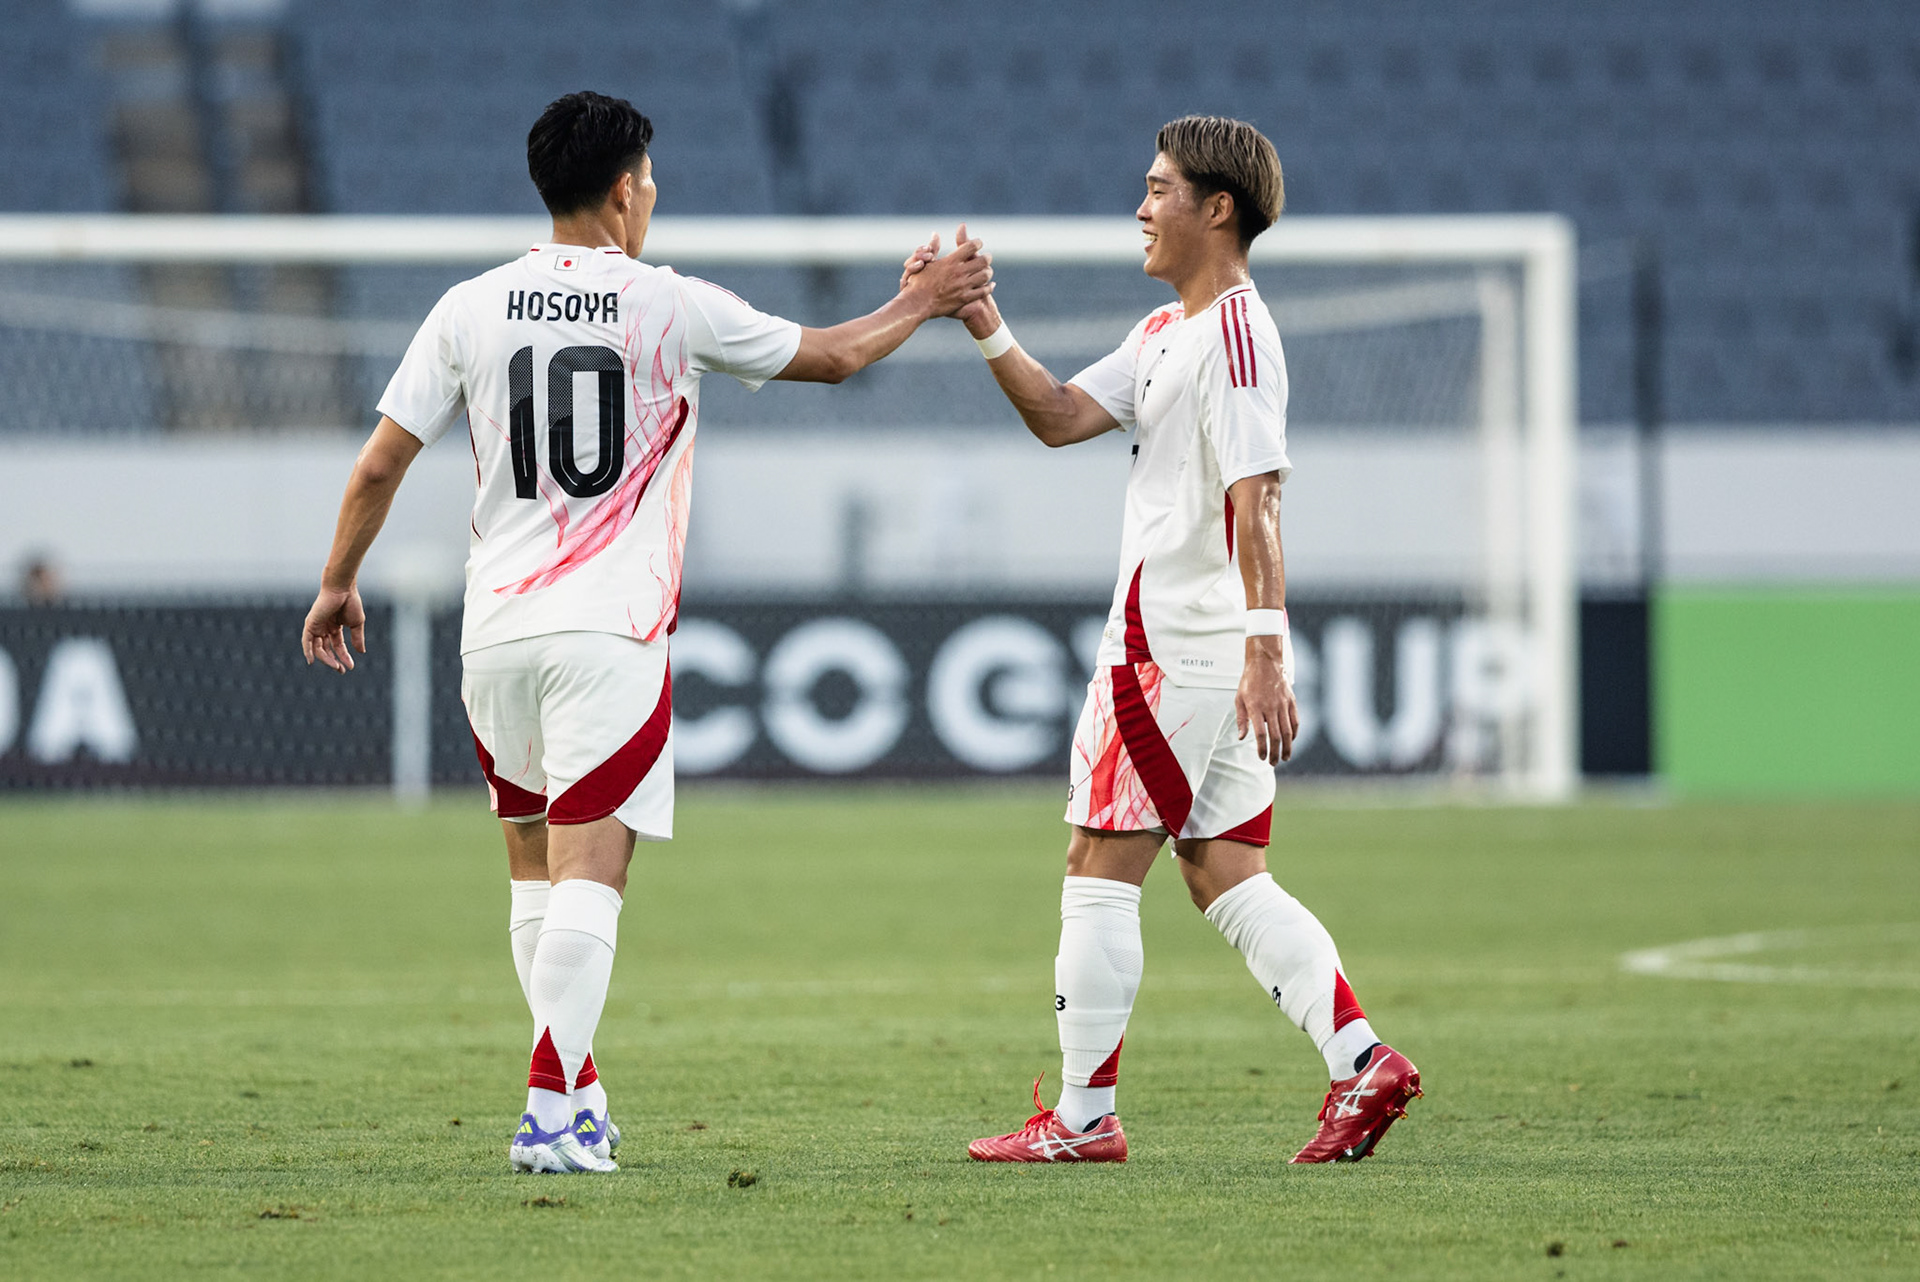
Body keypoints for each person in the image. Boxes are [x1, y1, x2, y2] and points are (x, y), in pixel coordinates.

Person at [301, 91, 993, 1175]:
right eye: (652, 179)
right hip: (608, 632)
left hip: (496, 635)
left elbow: (379, 463)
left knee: (533, 872)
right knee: (590, 873)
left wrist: (339, 580)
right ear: (625, 188)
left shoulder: (469, 308)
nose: (654, 196)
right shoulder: (666, 305)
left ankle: (576, 1094)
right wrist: (925, 298)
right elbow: (834, 357)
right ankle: (545, 1111)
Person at [913, 115, 1420, 1164]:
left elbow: (1259, 495)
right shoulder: (1166, 334)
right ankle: (1361, 1059)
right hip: (1210, 653)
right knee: (1225, 868)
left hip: (1173, 648)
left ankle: (1085, 1120)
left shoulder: (1234, 335)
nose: (1140, 209)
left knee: (1098, 864)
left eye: (1157, 189)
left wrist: (1267, 648)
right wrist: (981, 317)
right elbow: (1057, 415)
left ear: (1216, 207)